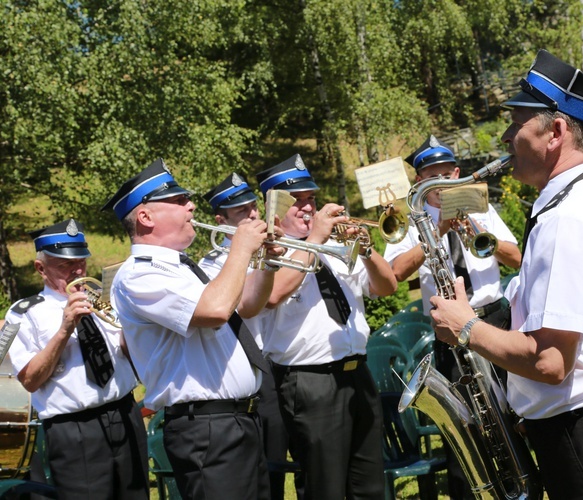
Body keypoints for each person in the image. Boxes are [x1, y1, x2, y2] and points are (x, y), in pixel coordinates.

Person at [428, 50, 583, 499]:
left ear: (555, 131)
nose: (504, 136)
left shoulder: (570, 219)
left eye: (516, 122)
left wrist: (463, 327)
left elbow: (550, 360)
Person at [102, 158, 276, 499]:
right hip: (207, 431)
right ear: (146, 217)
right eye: (179, 201)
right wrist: (240, 248)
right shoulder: (139, 274)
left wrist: (268, 261)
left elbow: (248, 305)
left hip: (238, 422)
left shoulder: (181, 266)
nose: (191, 205)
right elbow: (216, 309)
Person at [383, 135, 521, 499]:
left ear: (458, 173)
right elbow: (396, 271)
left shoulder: (481, 206)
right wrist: (439, 230)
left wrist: (477, 229)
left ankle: (523, 483)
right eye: (432, 177)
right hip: (451, 331)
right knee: (469, 422)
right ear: (419, 183)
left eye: (447, 175)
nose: (441, 184)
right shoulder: (410, 221)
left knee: (514, 414)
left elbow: (515, 258)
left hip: (495, 319)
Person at [254, 154, 398, 499]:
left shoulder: (333, 248)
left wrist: (366, 249)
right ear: (274, 205)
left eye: (311, 200)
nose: (307, 208)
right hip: (310, 382)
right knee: (325, 488)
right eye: (297, 201)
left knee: (369, 486)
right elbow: (273, 294)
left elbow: (386, 286)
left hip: (356, 374)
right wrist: (315, 239)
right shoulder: (266, 254)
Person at [4, 218, 149, 499]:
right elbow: (31, 380)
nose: (77, 270)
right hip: (74, 429)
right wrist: (64, 329)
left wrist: (135, 325)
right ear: (40, 269)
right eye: (65, 265)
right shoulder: (25, 312)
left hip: (124, 413)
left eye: (81, 262)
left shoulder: (102, 299)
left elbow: (129, 354)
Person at [198, 172, 302, 500]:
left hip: (266, 372)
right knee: (261, 477)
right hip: (232, 378)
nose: (254, 215)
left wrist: (270, 259)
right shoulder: (211, 264)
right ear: (220, 220)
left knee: (275, 465)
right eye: (242, 212)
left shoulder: (263, 248)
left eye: (253, 207)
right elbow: (247, 307)